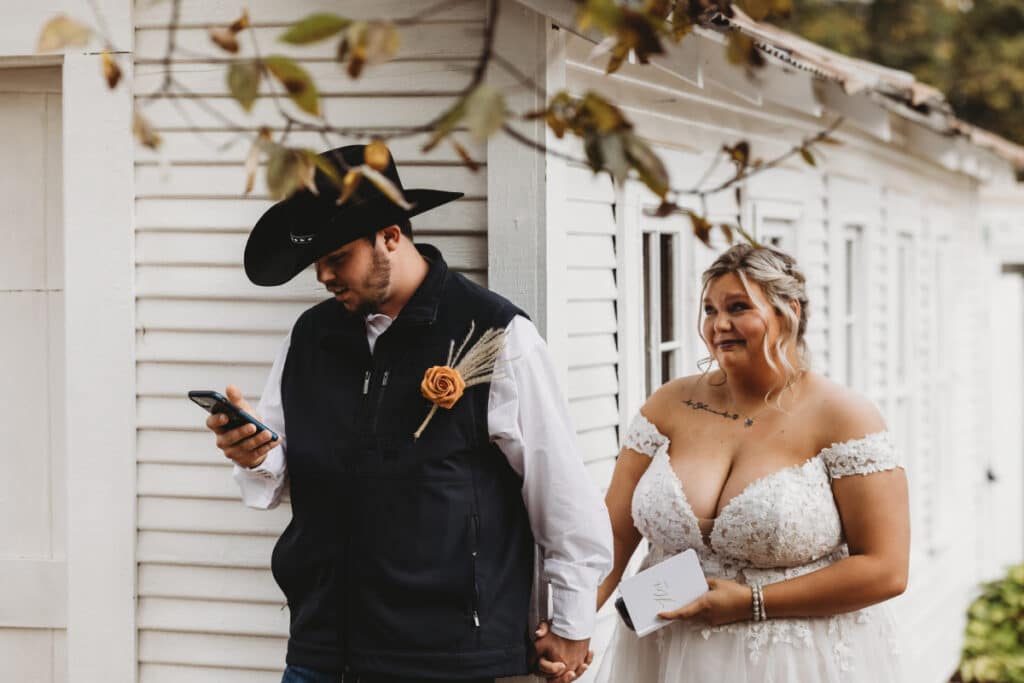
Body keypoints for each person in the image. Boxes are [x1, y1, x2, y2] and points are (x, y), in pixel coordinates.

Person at [205, 144, 613, 683]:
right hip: (321, 650)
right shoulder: (310, 336)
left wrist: (572, 620)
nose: (323, 277)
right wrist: (252, 452)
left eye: (336, 258)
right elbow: (277, 474)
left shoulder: (496, 335)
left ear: (391, 237)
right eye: (316, 263)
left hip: (448, 657)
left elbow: (561, 493)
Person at [595, 244, 910, 681]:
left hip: (790, 662)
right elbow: (610, 534)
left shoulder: (845, 416)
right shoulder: (667, 405)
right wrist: (570, 628)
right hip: (666, 657)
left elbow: (886, 569)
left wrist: (753, 601)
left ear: (789, 311)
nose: (719, 324)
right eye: (709, 310)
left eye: (737, 307)